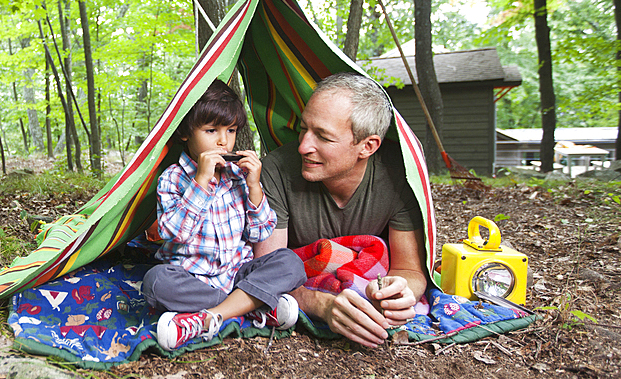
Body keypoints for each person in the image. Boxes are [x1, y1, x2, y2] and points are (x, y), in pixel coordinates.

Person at [254, 72, 430, 348]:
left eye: (323, 137)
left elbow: (409, 269)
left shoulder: (400, 177)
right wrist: (319, 304)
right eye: (304, 129)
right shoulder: (277, 170)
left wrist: (400, 293)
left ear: (367, 146)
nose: (303, 146)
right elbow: (264, 273)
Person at [143, 80, 306, 351]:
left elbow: (260, 233)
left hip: (237, 273)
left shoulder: (238, 176)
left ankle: (209, 316)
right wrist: (201, 182)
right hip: (192, 278)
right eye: (211, 130)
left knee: (291, 262)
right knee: (156, 282)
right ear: (185, 133)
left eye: (230, 130)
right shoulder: (172, 179)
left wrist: (254, 186)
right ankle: (250, 306)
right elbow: (174, 233)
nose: (223, 140)